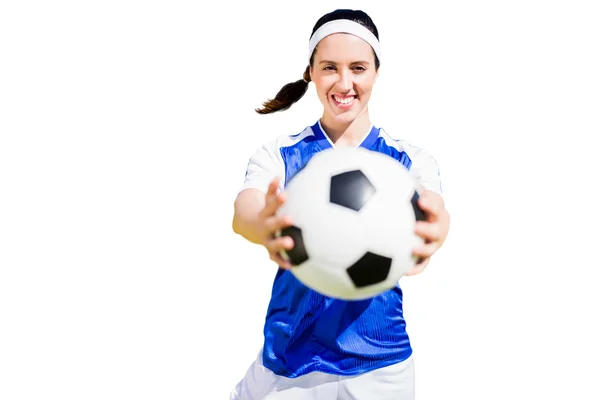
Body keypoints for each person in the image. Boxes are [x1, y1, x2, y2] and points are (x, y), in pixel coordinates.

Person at [230, 9, 450, 400]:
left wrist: (435, 233)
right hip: (287, 362)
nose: (344, 82)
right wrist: (260, 225)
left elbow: (433, 208)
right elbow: (244, 209)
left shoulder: (407, 162)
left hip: (379, 368)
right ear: (311, 72)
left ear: (376, 73)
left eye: (358, 68)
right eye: (330, 67)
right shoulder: (280, 155)